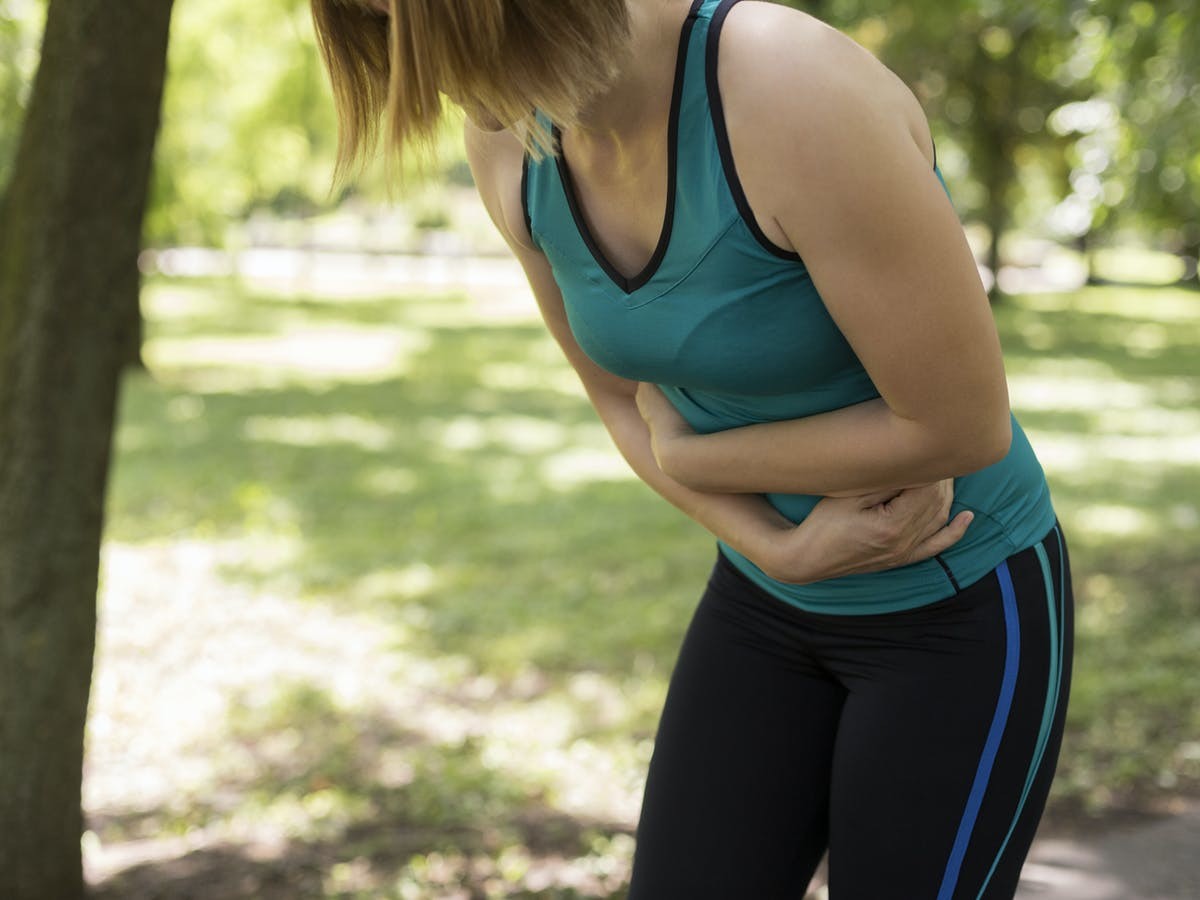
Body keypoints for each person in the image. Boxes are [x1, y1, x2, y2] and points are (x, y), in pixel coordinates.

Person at [310, 1, 1075, 897]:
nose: (425, 77)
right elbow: (618, 399)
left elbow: (958, 426)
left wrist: (700, 458)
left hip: (954, 598)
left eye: (413, 30)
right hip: (762, 599)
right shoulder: (511, 144)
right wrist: (779, 549)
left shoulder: (788, 85)